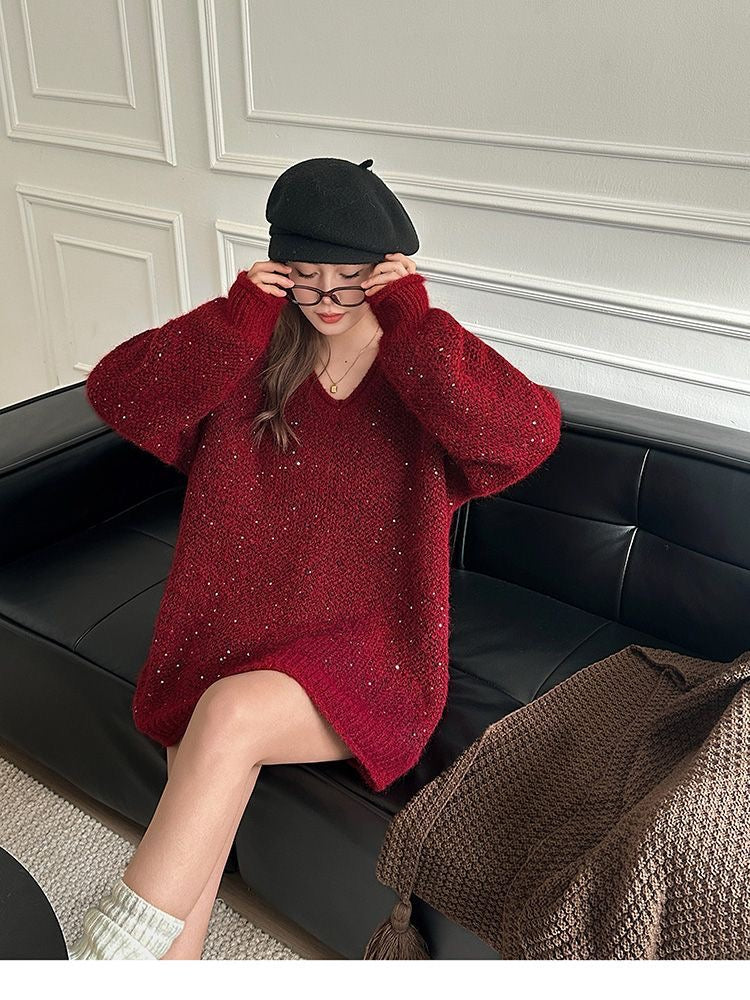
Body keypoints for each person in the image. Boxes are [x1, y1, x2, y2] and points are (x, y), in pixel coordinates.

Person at [68, 157, 563, 960]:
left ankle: (103, 954)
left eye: (351, 280)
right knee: (205, 753)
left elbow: (527, 436)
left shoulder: (422, 373)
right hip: (232, 638)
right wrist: (234, 320)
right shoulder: (250, 356)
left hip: (368, 658)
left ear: (389, 274)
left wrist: (416, 326)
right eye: (306, 277)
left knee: (224, 719)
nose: (327, 299)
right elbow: (118, 393)